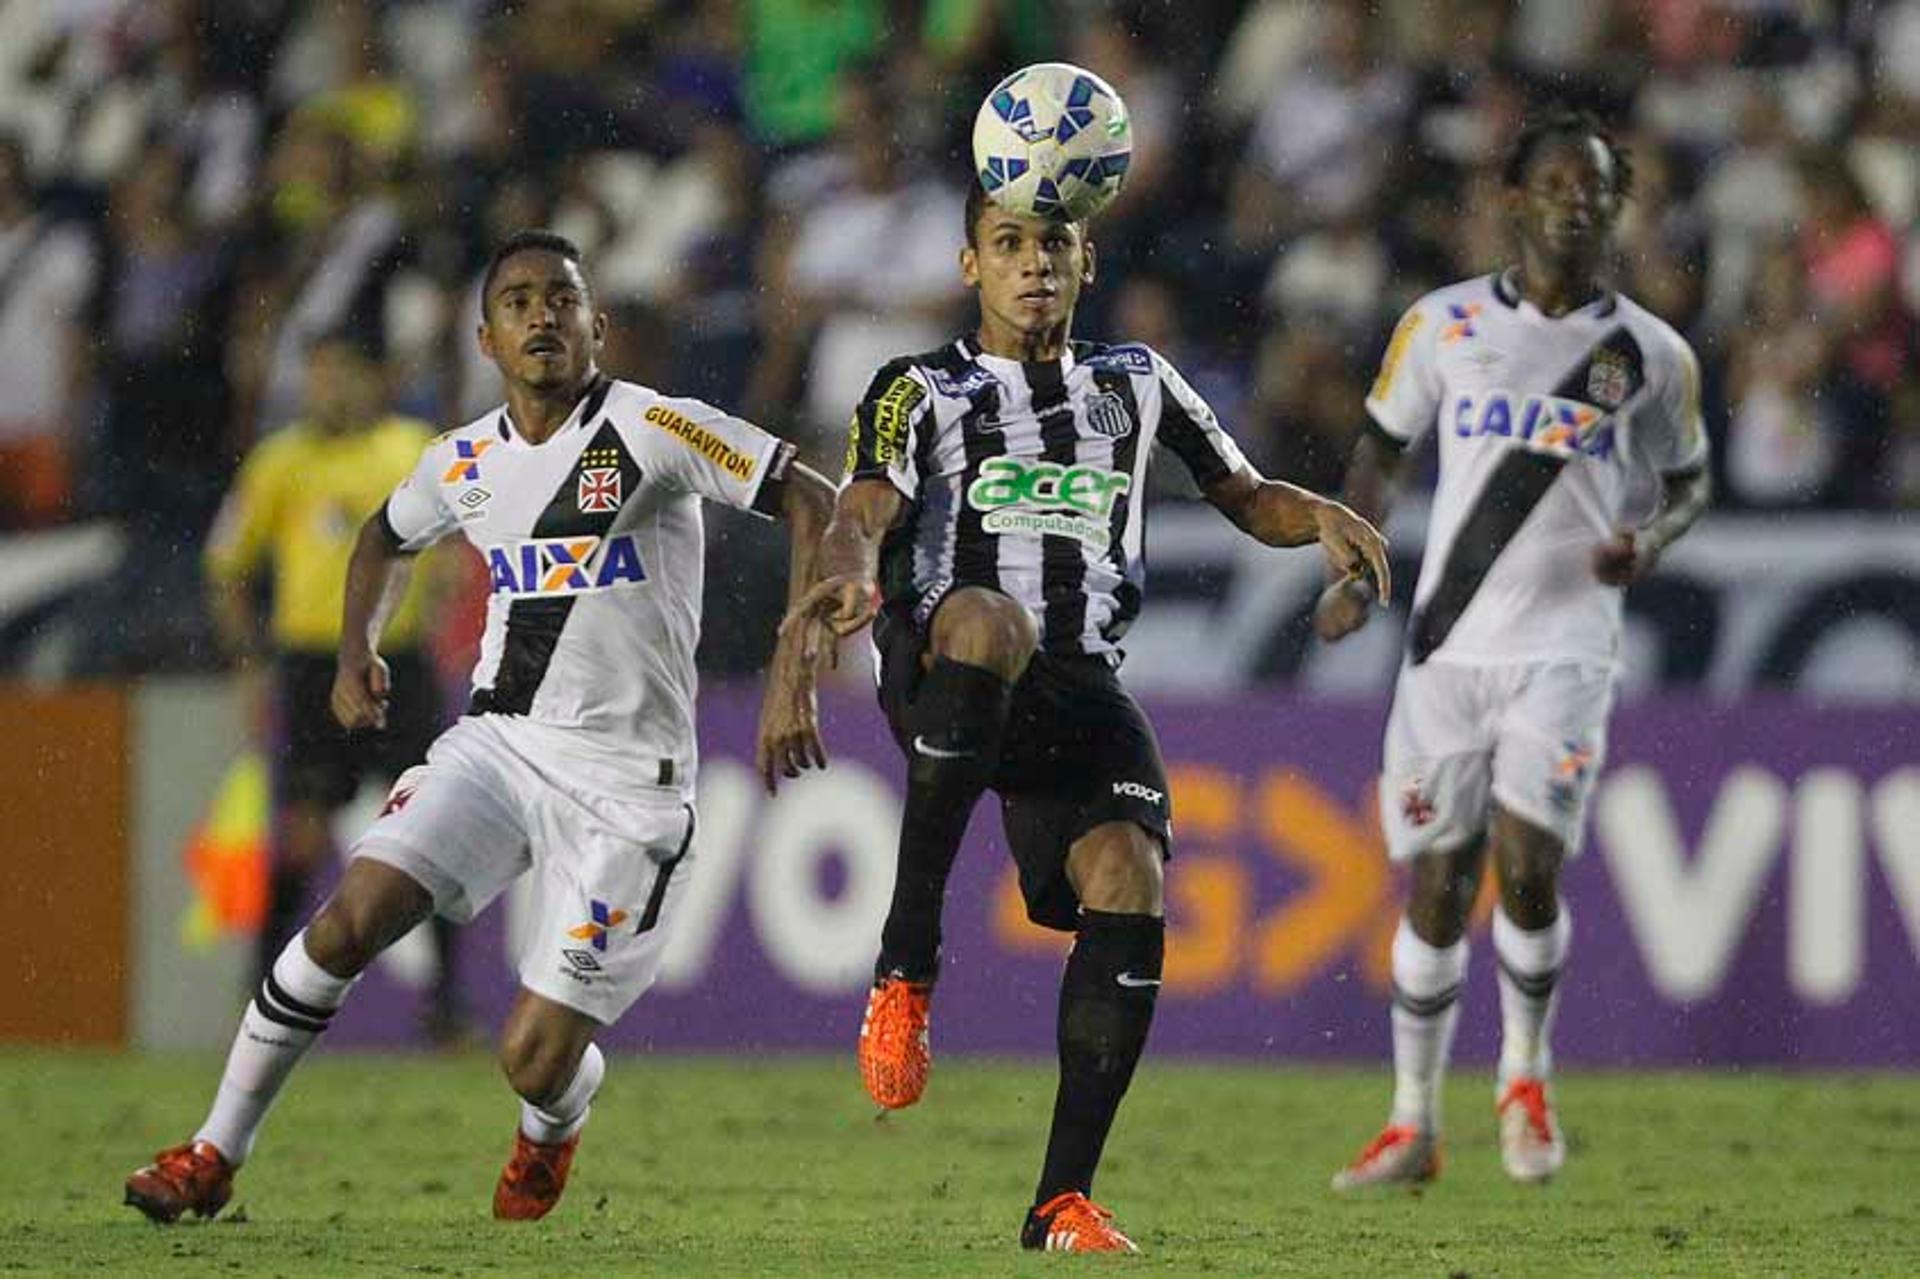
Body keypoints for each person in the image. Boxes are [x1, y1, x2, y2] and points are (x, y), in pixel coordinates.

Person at [125, 230, 836, 1224]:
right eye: (519, 301)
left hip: (631, 786)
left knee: (532, 1058)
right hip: (499, 748)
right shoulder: (460, 461)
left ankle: (558, 1117)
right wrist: (354, 648)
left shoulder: (656, 427)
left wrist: (794, 662)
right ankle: (213, 1152)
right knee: (342, 922)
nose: (543, 314)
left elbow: (812, 496)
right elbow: (382, 536)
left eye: (563, 298)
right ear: (486, 338)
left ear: (596, 323)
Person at [783, 184, 1389, 1253]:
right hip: (947, 653)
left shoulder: (1137, 382)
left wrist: (1322, 514)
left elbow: (1243, 492)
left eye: (1053, 244)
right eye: (1007, 244)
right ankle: (906, 957)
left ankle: (1059, 1199)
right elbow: (864, 504)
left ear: (1088, 261)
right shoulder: (916, 387)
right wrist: (845, 575)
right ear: (970, 266)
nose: (1034, 265)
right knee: (989, 616)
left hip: (1077, 683)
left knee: (1130, 875)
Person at [1319, 111, 1711, 1191]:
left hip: (1568, 648)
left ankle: (1526, 1081)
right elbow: (1379, 448)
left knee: (1529, 868)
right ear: (1514, 196)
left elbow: (1690, 481)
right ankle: (1413, 1124)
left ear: (1614, 202)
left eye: (1592, 187)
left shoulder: (1650, 355)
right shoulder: (1439, 326)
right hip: (1447, 648)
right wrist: (1353, 571)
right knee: (1439, 885)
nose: (1572, 202)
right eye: (1552, 183)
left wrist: (1655, 538)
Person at [202, 330, 466, 1045]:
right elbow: (227, 565)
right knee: (300, 837)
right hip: (313, 665)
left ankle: (446, 1008)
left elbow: (453, 543)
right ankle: (260, 992)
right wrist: (251, 665)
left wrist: (439, 604)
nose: (330, 390)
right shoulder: (279, 462)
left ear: (373, 380)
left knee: (435, 833)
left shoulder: (411, 447)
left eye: (343, 374)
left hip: (399, 664)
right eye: (317, 375)